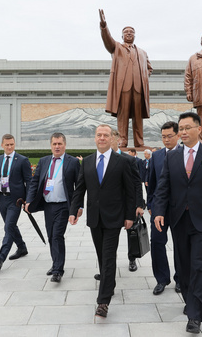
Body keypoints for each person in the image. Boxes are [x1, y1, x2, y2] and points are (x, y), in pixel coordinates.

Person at [153, 112, 202, 334]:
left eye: (187, 127)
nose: (183, 132)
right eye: (181, 128)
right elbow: (163, 187)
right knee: (183, 265)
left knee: (198, 265)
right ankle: (190, 299)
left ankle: (195, 315)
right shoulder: (171, 156)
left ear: (199, 129)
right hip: (178, 219)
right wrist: (159, 211)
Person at [68, 124, 135, 318]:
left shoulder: (122, 162)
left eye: (106, 135)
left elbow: (130, 192)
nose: (103, 138)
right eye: (99, 135)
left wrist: (129, 216)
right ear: (95, 138)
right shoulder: (87, 162)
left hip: (115, 218)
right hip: (95, 219)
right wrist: (74, 210)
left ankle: (103, 301)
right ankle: (110, 282)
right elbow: (79, 189)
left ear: (112, 138)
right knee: (102, 256)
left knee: (108, 257)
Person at [24, 133, 81, 282]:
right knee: (50, 236)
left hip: (63, 206)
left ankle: (58, 270)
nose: (57, 146)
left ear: (65, 145)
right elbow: (35, 182)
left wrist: (78, 206)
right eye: (54, 144)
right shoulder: (44, 161)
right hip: (48, 206)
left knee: (57, 236)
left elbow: (79, 187)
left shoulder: (73, 162)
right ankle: (56, 262)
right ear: (51, 145)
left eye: (60, 144)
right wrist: (29, 200)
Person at [99, 9, 153, 148]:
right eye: (126, 32)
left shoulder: (142, 52)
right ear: (122, 35)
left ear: (135, 35)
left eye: (131, 32)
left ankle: (139, 142)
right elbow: (107, 40)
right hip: (123, 87)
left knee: (138, 117)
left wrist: (144, 77)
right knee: (122, 116)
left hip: (138, 88)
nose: (129, 34)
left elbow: (149, 68)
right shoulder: (117, 47)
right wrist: (104, 25)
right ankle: (122, 141)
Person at [0, 134, 32, 271]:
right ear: (2, 145)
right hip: (1, 198)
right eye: (7, 145)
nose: (9, 147)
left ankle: (0, 258)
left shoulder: (22, 160)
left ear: (15, 144)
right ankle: (22, 247)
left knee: (8, 226)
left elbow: (30, 181)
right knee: (11, 226)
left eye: (12, 144)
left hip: (16, 200)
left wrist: (29, 200)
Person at [147, 121, 181, 295]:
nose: (166, 140)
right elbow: (151, 182)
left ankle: (180, 279)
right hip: (159, 209)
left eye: (169, 136)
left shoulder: (185, 154)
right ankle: (161, 279)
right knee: (157, 243)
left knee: (180, 245)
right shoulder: (157, 156)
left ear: (177, 136)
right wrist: (150, 204)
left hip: (180, 209)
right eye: (163, 137)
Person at [111, 130, 145, 273]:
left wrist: (139, 204)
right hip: (110, 206)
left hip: (128, 204)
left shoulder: (128, 159)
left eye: (110, 137)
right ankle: (108, 267)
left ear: (118, 140)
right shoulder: (99, 159)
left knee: (131, 233)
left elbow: (137, 183)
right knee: (109, 240)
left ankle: (132, 258)